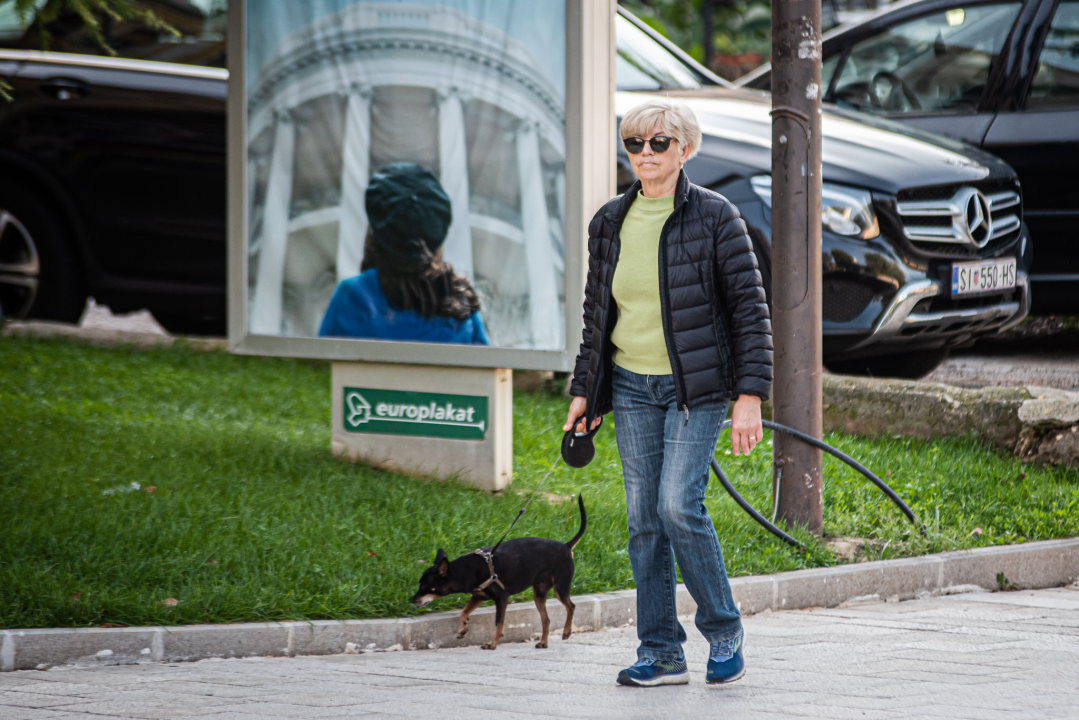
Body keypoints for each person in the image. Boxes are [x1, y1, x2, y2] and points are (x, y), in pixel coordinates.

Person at [564, 98, 772, 686]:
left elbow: (751, 313)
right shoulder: (609, 221)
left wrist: (749, 396)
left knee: (678, 505)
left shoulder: (716, 217)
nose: (646, 155)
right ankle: (661, 651)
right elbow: (596, 315)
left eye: (659, 143)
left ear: (685, 149)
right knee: (642, 517)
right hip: (630, 387)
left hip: (696, 390)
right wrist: (586, 390)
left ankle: (724, 629)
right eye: (635, 144)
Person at [319, 162, 489, 345]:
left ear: (376, 237)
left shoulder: (350, 298)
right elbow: (487, 369)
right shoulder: (460, 303)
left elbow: (317, 368)